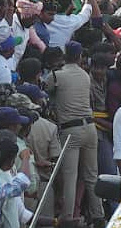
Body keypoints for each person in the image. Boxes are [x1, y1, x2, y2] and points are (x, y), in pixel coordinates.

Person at [46, 41, 103, 225]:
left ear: (65, 56)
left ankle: (68, 218)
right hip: (90, 127)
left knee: (70, 176)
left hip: (70, 129)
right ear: (80, 57)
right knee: (91, 175)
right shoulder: (86, 75)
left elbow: (46, 91)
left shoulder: (56, 75)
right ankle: (98, 215)